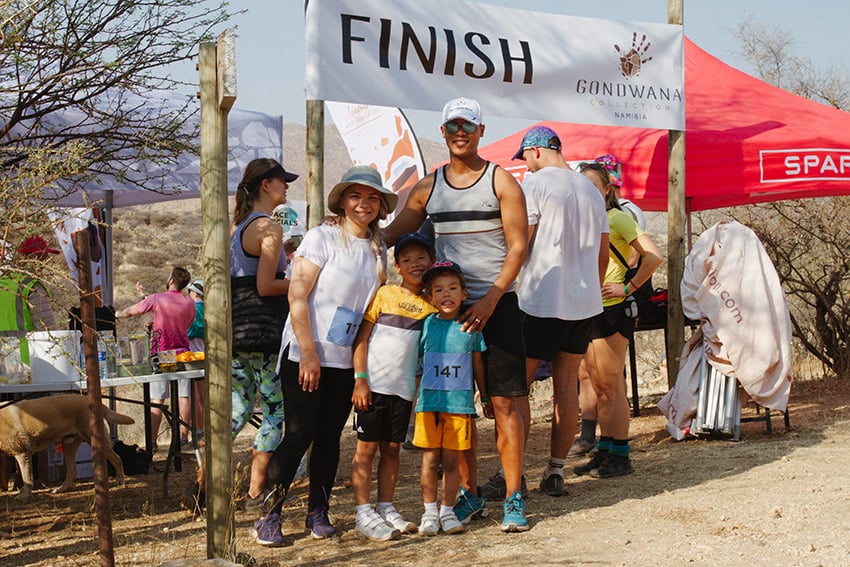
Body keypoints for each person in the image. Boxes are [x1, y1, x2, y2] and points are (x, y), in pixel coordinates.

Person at [384, 97, 530, 532]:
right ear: (443, 132)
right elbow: (394, 231)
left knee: (503, 403)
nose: (460, 132)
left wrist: (490, 299)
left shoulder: (502, 182)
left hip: (497, 305)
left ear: (481, 130)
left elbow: (519, 246)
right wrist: (348, 230)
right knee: (458, 409)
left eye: (468, 125)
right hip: (449, 311)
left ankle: (514, 495)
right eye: (452, 126)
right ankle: (470, 494)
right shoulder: (428, 188)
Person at [255, 165, 398, 546]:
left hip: (345, 359)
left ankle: (318, 511)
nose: (364, 204)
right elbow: (296, 295)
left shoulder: (379, 248)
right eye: (355, 196)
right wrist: (307, 353)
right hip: (306, 352)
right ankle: (269, 514)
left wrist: (362, 367)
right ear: (342, 202)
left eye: (372, 198)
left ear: (381, 205)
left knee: (331, 437)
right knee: (298, 434)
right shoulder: (322, 238)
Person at [510, 126, 609, 497]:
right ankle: (555, 470)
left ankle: (513, 472)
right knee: (567, 385)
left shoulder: (534, 186)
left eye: (526, 158)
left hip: (540, 298)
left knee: (518, 388)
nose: (527, 166)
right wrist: (588, 290)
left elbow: (523, 241)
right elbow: (603, 253)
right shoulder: (591, 189)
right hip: (583, 304)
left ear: (535, 151)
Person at [574, 162, 662, 477]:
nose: (588, 196)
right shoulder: (584, 224)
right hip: (590, 309)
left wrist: (629, 286)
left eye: (594, 189)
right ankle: (606, 448)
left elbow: (653, 255)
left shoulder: (618, 219)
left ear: (607, 189)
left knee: (611, 385)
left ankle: (621, 455)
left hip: (613, 309)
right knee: (599, 386)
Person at [350, 232, 437, 542]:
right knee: (366, 449)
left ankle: (385, 506)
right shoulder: (384, 294)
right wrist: (360, 380)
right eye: (407, 259)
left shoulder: (431, 305)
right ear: (398, 266)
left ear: (432, 262)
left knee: (391, 450)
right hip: (371, 388)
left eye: (421, 258)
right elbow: (361, 338)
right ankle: (363, 512)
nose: (415, 264)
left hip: (403, 393)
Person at [229, 157, 298, 513]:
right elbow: (266, 285)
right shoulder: (268, 228)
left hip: (237, 330)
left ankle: (206, 482)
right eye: (281, 180)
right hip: (265, 331)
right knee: (274, 411)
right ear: (266, 185)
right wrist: (301, 281)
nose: (286, 186)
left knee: (238, 408)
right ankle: (256, 493)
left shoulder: (237, 226)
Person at [413, 261, 487, 536]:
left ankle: (448, 510)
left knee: (453, 462)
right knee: (430, 460)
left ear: (464, 294)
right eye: (439, 290)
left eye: (453, 288)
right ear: (430, 297)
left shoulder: (471, 326)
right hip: (429, 406)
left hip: (459, 406)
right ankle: (429, 511)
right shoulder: (426, 325)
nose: (446, 295)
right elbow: (416, 363)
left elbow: (478, 363)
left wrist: (485, 394)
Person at [116, 266, 195, 447]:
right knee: (183, 395)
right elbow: (187, 323)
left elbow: (132, 311)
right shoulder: (189, 302)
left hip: (163, 353)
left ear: (172, 280)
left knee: (157, 398)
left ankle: (151, 442)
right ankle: (183, 438)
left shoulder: (158, 298)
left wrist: (116, 313)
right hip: (183, 353)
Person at [0, 235, 61, 368]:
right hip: (27, 364)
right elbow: (48, 332)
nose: (47, 262)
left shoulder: (3, 282)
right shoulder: (31, 286)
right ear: (34, 258)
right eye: (45, 257)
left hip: (3, 365)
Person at [185, 279, 205, 443]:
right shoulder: (208, 308)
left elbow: (192, 331)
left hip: (195, 356)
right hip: (206, 354)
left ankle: (199, 431)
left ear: (195, 293)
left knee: (198, 397)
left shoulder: (194, 308)